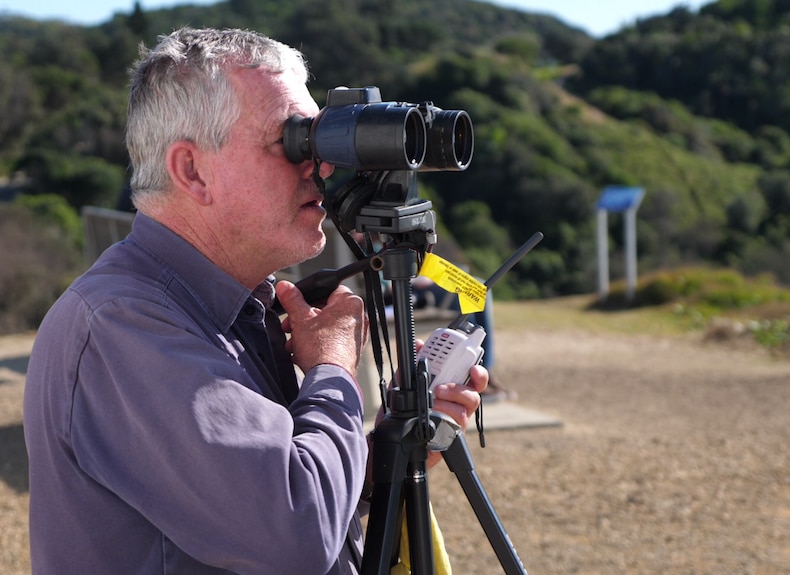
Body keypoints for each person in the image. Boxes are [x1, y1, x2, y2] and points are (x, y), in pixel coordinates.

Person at [23, 27, 486, 575]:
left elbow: (262, 501)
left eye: (317, 139)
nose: (321, 166)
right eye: (291, 142)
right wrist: (335, 368)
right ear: (192, 171)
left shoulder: (238, 305)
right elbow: (296, 534)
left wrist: (376, 457)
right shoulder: (121, 325)